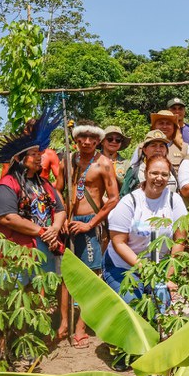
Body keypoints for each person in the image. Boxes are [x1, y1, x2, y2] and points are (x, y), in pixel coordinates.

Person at [0, 111, 68, 339]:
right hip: (18, 249)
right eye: (34, 154)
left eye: (40, 154)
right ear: (20, 159)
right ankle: (10, 339)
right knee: (16, 292)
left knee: (35, 290)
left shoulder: (44, 183)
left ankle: (31, 336)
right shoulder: (6, 185)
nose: (39, 158)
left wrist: (54, 229)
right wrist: (43, 231)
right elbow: (7, 217)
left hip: (43, 245)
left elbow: (60, 209)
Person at [57, 120, 119, 347]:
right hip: (68, 222)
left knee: (91, 276)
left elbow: (113, 199)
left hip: (89, 224)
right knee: (66, 277)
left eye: (92, 138)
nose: (86, 142)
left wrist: (90, 224)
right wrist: (61, 217)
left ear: (98, 141)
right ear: (75, 139)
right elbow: (58, 190)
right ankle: (63, 323)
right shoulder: (68, 161)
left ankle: (81, 326)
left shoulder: (103, 164)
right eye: (82, 137)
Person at [103, 155, 187, 304]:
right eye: (154, 173)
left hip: (158, 266)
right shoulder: (130, 201)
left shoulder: (174, 200)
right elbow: (118, 243)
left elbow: (180, 240)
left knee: (162, 308)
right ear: (146, 173)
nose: (159, 178)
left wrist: (168, 276)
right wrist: (145, 269)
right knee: (133, 305)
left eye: (164, 174)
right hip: (123, 266)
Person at [121, 130, 176, 197]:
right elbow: (123, 196)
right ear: (144, 150)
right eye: (153, 146)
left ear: (166, 150)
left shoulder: (170, 169)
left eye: (161, 146)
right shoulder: (135, 170)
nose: (158, 149)